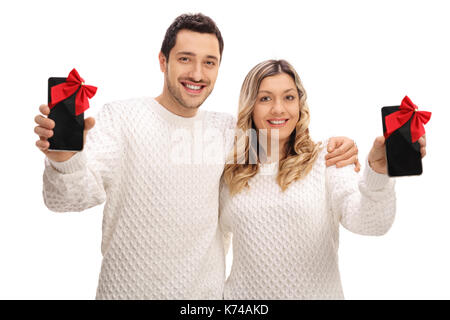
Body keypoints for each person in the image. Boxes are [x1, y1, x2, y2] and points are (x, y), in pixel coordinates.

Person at [34, 14, 359, 299]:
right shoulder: (122, 118)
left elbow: (283, 140)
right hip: (126, 292)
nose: (198, 74)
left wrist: (336, 147)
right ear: (163, 61)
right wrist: (66, 159)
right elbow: (70, 200)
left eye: (209, 62)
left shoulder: (228, 132)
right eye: (185, 59)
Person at [219, 59, 427, 299]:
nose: (278, 109)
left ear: (300, 104)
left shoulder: (327, 158)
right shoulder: (230, 173)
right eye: (265, 98)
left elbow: (371, 222)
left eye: (288, 97)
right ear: (250, 106)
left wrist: (377, 172)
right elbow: (214, 250)